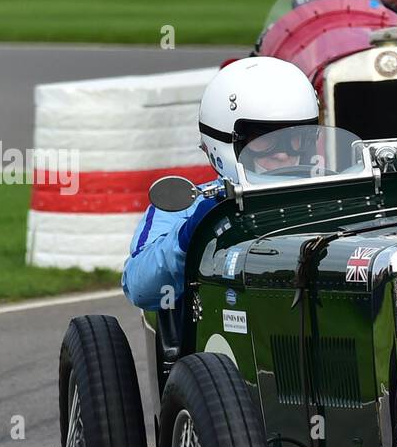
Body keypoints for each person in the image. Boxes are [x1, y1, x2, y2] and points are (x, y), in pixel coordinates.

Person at [121, 56, 319, 310]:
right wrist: (190, 235)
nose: (283, 154)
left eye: (296, 138)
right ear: (223, 141)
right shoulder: (187, 205)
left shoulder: (333, 197)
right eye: (264, 139)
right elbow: (139, 288)